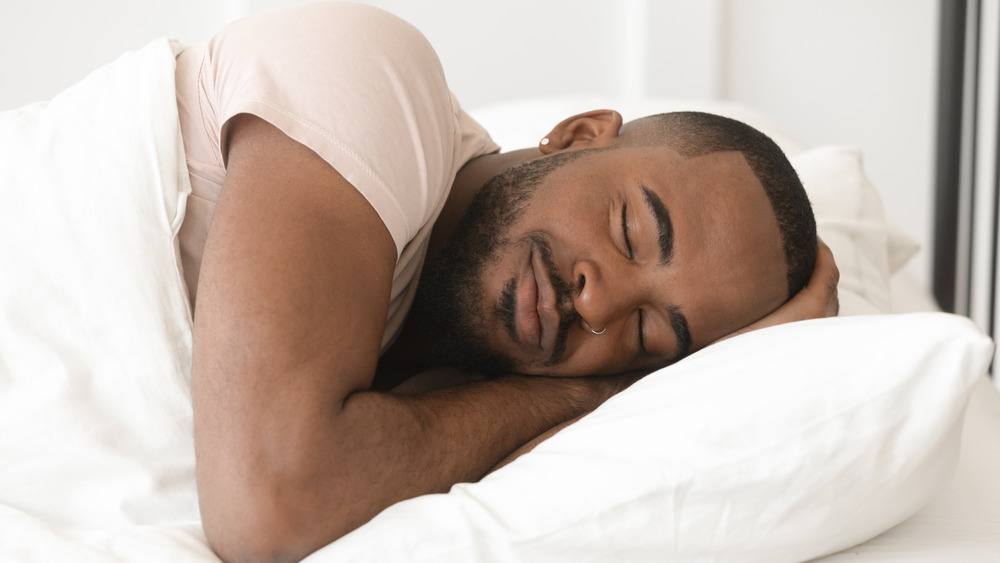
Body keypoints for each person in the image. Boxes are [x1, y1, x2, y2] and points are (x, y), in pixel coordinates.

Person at [175, 3, 837, 562]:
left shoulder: (461, 387)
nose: (599, 302)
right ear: (578, 134)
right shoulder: (370, 79)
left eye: (649, 332)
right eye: (632, 230)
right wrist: (597, 388)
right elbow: (271, 506)